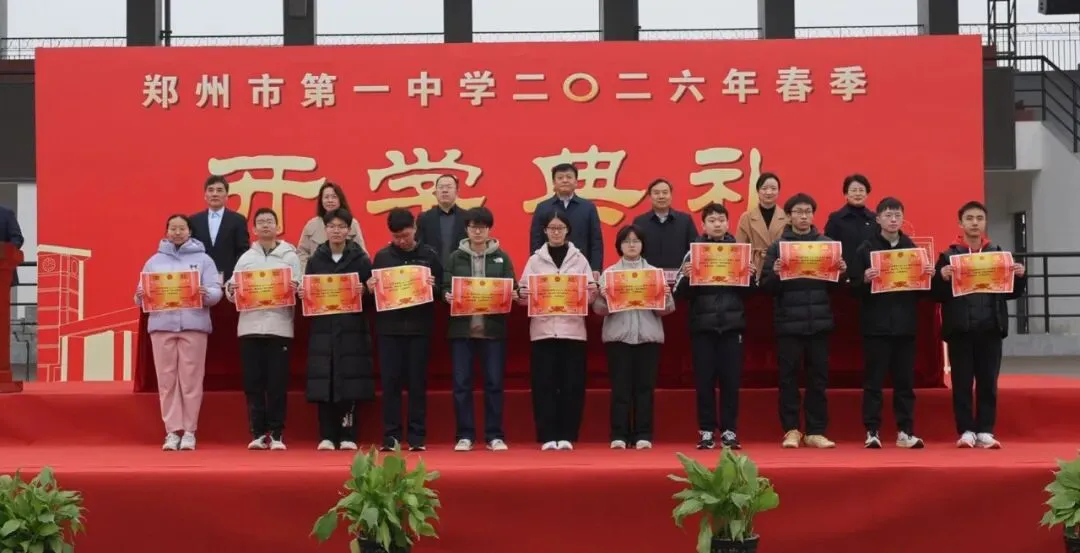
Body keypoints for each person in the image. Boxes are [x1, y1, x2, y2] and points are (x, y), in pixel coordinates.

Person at [932, 200, 1027, 449]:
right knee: (962, 383)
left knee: (988, 382)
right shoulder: (948, 256)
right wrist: (941, 278)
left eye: (979, 218)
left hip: (990, 327)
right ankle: (965, 430)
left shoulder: (997, 254)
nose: (975, 223)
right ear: (960, 223)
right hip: (960, 330)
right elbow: (936, 295)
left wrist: (1019, 277)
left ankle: (985, 430)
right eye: (969, 218)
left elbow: (1010, 293)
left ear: (985, 223)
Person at [760, 193, 846, 449]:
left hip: (819, 322)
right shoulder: (778, 247)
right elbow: (766, 287)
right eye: (798, 212)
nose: (804, 216)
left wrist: (841, 273)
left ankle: (816, 431)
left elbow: (836, 289)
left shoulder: (826, 245)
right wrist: (775, 274)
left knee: (818, 379)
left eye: (808, 211)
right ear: (789, 216)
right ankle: (791, 430)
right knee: (788, 379)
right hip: (788, 323)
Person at [849, 197, 933, 449]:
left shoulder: (912, 249)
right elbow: (852, 289)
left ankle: (905, 431)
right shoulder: (866, 249)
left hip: (905, 326)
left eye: (897, 215)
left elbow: (922, 294)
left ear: (903, 219)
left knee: (904, 383)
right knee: (873, 382)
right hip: (876, 326)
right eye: (888, 215)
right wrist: (864, 279)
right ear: (878, 219)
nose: (893, 220)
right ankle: (872, 431)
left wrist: (926, 277)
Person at [135, 214, 223, 451]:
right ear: (166, 232)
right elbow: (140, 293)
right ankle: (172, 431)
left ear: (189, 231)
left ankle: (190, 431)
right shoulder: (154, 261)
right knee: (167, 381)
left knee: (191, 380)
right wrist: (140, 295)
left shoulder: (204, 260)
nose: (177, 232)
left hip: (194, 326)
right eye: (172, 228)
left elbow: (217, 291)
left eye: (181, 228)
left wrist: (207, 294)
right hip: (161, 327)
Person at [673, 203, 755, 450]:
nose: (717, 224)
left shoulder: (739, 252)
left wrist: (751, 276)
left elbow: (751, 294)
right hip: (703, 327)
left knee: (730, 382)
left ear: (728, 223)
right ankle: (706, 430)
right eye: (712, 220)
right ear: (703, 224)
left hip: (732, 327)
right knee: (704, 382)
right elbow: (679, 294)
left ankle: (729, 430)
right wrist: (687, 277)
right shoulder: (693, 253)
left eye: (721, 220)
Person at [518, 210, 598, 451]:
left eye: (560, 228)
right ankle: (546, 435)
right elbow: (522, 295)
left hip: (573, 332)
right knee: (544, 385)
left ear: (567, 231)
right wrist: (523, 294)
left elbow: (590, 296)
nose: (556, 232)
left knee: (572, 385)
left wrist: (591, 291)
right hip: (543, 331)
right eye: (551, 228)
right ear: (545, 231)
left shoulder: (580, 259)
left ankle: (568, 434)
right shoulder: (535, 260)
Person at [225, 207, 302, 451]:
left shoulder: (290, 256)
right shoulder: (246, 257)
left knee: (277, 383)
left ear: (278, 227)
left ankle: (277, 434)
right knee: (253, 383)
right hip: (249, 327)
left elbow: (300, 287)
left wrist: (295, 287)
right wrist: (231, 289)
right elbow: (232, 288)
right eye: (261, 222)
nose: (265, 225)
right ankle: (258, 433)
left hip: (279, 327)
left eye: (270, 221)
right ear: (254, 229)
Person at [593, 224, 675, 450]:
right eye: (627, 241)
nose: (631, 245)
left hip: (648, 338)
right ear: (619, 245)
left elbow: (666, 310)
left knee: (644, 389)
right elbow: (599, 310)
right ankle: (619, 434)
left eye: (636, 241)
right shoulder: (610, 274)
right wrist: (604, 297)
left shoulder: (654, 273)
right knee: (620, 389)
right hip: (619, 339)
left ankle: (643, 434)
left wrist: (666, 296)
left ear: (642, 245)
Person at [441, 206, 516, 452]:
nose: (478, 232)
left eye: (482, 227)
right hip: (462, 330)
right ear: (467, 229)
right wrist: (447, 295)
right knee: (462, 384)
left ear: (489, 229)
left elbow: (512, 286)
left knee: (494, 383)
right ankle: (465, 435)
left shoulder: (502, 257)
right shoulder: (455, 257)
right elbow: (444, 286)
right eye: (474, 227)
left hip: (492, 330)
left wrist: (513, 293)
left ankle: (494, 435)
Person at [368, 208, 443, 452]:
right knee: (390, 385)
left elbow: (443, 291)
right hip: (389, 330)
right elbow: (372, 298)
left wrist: (434, 286)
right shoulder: (382, 257)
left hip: (419, 329)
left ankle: (416, 436)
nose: (401, 241)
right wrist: (371, 288)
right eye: (396, 236)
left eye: (406, 235)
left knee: (417, 384)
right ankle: (391, 436)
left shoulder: (429, 255)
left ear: (415, 229)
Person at [301, 208, 376, 451]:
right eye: (332, 226)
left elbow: (372, 295)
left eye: (341, 226)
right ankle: (326, 435)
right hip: (323, 328)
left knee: (349, 380)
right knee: (325, 379)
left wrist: (365, 291)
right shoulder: (316, 259)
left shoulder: (360, 259)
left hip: (351, 328)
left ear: (349, 230)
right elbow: (310, 293)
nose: (336, 231)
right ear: (325, 230)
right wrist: (305, 294)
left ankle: (348, 434)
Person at [528, 163, 604, 280]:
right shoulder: (543, 207)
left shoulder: (588, 207)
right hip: (548, 269)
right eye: (560, 177)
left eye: (569, 177)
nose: (565, 180)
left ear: (576, 182)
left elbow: (596, 240)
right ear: (554, 183)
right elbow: (536, 240)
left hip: (580, 268)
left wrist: (595, 268)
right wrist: (535, 266)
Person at [189, 175, 251, 281]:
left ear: (226, 195)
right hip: (201, 279)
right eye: (211, 190)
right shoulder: (194, 220)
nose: (215, 194)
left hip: (230, 279)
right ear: (205, 195)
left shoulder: (238, 220)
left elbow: (243, 251)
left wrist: (235, 277)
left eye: (219, 190)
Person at [631, 179, 698, 273]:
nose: (661, 196)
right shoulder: (640, 222)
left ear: (671, 196)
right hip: (648, 277)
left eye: (665, 192)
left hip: (680, 277)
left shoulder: (685, 220)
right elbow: (634, 250)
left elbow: (694, 249)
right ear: (649, 197)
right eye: (656, 193)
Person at [297, 182, 367, 271]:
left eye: (334, 197)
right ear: (321, 200)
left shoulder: (352, 223)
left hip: (346, 275)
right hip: (319, 275)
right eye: (326, 197)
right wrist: (307, 272)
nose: (330, 200)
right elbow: (302, 252)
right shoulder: (311, 225)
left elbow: (362, 252)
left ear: (340, 199)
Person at [736, 172, 788, 275]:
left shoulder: (787, 217)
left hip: (779, 267)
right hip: (755, 267)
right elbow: (740, 248)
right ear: (758, 191)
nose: (769, 192)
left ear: (778, 191)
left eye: (773, 188)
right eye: (764, 188)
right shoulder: (746, 217)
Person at [825, 174, 879, 270]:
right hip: (845, 274)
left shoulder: (875, 219)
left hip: (869, 275)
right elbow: (828, 248)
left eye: (861, 190)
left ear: (867, 194)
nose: (858, 194)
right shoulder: (836, 219)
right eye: (854, 190)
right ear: (846, 194)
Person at [416, 174, 468, 266]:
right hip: (432, 271)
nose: (444, 190)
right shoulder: (424, 218)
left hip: (459, 270)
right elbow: (419, 248)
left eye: (449, 187)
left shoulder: (467, 217)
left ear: (457, 192)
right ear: (435, 192)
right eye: (441, 187)